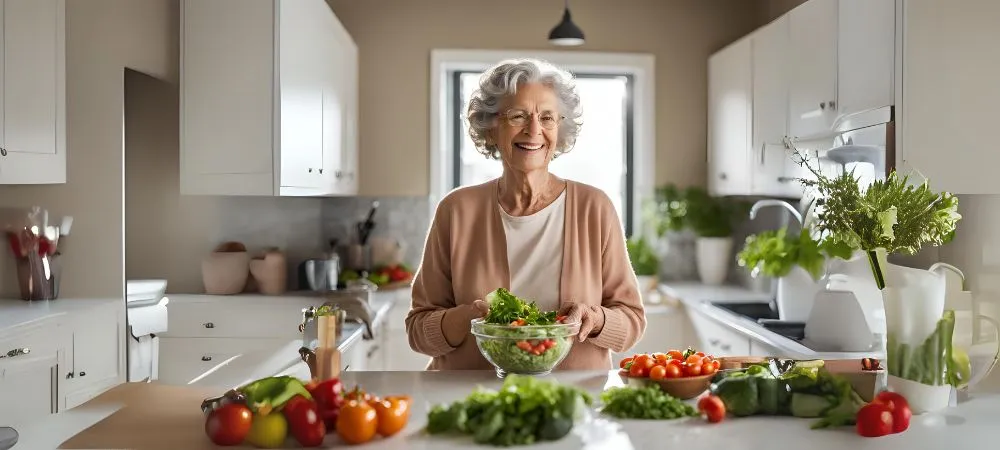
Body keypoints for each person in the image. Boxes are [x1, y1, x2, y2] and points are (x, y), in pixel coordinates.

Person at [405, 58, 645, 370]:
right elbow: (418, 330)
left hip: (573, 399)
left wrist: (595, 319)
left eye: (547, 118)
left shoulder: (594, 208)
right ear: (491, 128)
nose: (534, 130)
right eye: (518, 116)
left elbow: (632, 321)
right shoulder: (456, 210)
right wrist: (469, 318)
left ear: (560, 130)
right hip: (471, 400)